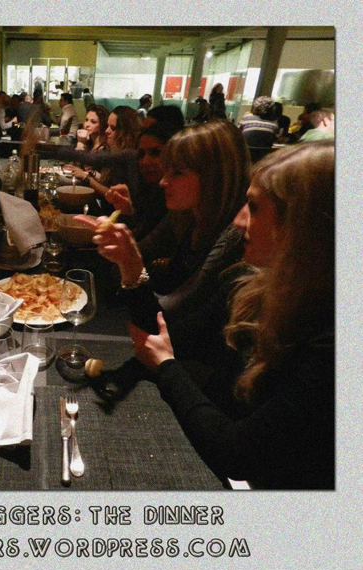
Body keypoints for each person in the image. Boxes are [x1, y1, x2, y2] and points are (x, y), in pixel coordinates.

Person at [130, 141, 334, 489]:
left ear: (304, 226)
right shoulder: (250, 284)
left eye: (253, 207)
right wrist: (131, 270)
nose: (239, 221)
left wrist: (167, 367)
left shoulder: (331, 345)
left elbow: (238, 454)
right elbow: (166, 334)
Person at [75, 120, 249, 329]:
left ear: (216, 176)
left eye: (177, 172)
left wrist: (131, 268)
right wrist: (126, 223)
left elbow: (169, 315)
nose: (163, 181)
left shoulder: (232, 238)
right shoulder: (185, 215)